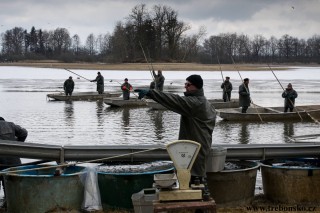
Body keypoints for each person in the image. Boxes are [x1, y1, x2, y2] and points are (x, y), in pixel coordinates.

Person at [135, 74, 216, 199]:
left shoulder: (195, 103)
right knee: (196, 179)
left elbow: (174, 100)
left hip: (195, 148)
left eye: (188, 85)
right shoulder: (205, 102)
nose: (185, 87)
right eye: (185, 84)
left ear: (196, 87)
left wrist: (151, 93)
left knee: (196, 181)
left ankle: (201, 205)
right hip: (200, 146)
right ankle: (199, 203)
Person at [0, 117, 28, 197]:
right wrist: (17, 144)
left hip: (1, 162)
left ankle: (4, 205)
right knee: (12, 184)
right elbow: (24, 133)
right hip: (14, 161)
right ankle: (10, 202)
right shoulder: (11, 124)